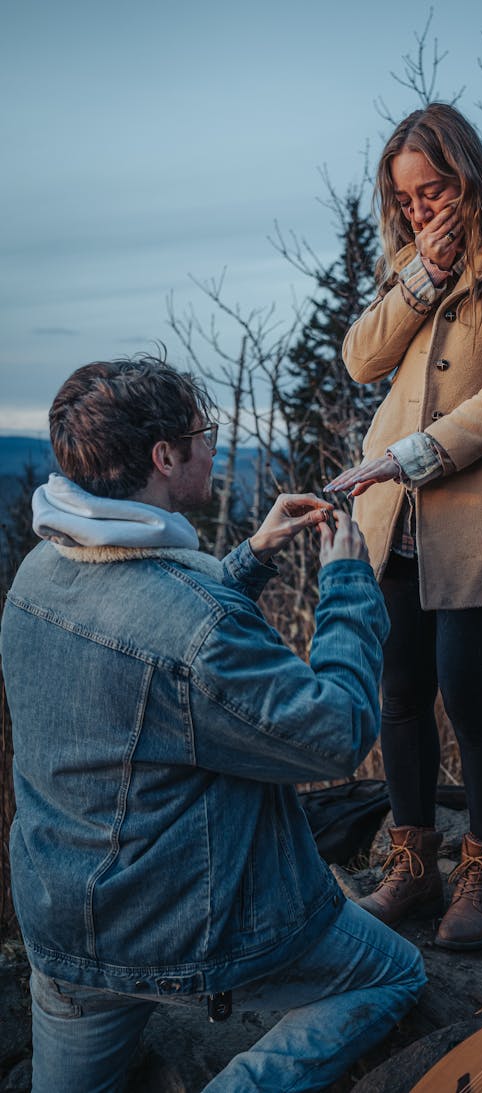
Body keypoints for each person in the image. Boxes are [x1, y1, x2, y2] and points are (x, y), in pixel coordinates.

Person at [0, 356, 425, 1093]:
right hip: (187, 935)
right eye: (203, 435)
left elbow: (146, 645)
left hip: (63, 928)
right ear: (164, 457)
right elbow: (338, 730)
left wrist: (250, 559)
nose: (213, 446)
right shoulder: (196, 630)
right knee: (391, 974)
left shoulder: (39, 572)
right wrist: (350, 581)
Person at [325, 103, 482, 951]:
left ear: (466, 172)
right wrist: (417, 278)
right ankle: (412, 862)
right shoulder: (412, 262)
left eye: (433, 190)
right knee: (398, 695)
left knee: (470, 695)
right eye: (405, 199)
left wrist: (415, 453)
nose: (421, 209)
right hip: (391, 514)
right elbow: (361, 359)